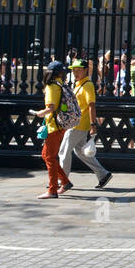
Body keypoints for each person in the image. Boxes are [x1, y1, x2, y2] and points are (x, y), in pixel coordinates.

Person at [59, 59, 112, 188]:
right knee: (81, 152)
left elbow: (91, 105)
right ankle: (103, 174)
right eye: (74, 70)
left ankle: (62, 180)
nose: (75, 73)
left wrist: (93, 125)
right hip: (77, 123)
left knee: (63, 151)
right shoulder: (79, 84)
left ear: (85, 71)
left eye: (78, 70)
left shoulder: (87, 85)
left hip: (78, 124)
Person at [29, 61, 74, 199]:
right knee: (46, 155)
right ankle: (65, 182)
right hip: (60, 125)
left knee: (49, 157)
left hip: (54, 125)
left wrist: (39, 113)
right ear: (60, 73)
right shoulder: (61, 84)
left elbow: (51, 107)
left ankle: (53, 189)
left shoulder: (51, 87)